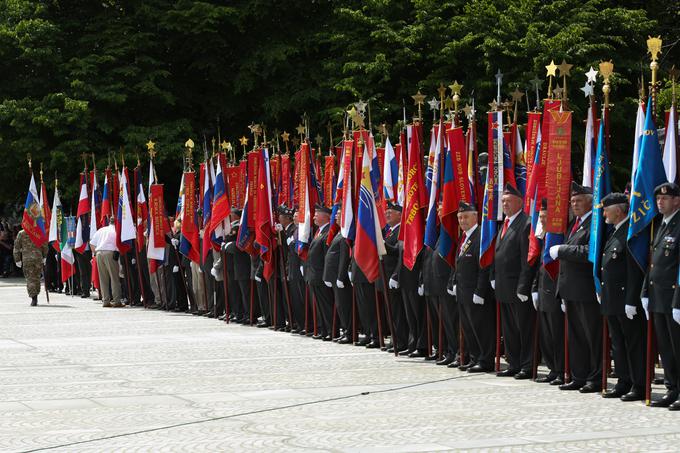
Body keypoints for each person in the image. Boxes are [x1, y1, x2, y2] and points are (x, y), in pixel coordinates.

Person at [551, 182, 602, 393]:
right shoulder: (575, 223)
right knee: (576, 336)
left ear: (590, 202)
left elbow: (588, 252)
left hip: (586, 290)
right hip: (570, 289)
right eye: (572, 201)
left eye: (579, 200)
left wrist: (563, 249)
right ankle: (579, 375)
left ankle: (595, 377)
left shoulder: (594, 224)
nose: (574, 204)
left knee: (592, 336)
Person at [599, 192, 646, 401]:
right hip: (612, 299)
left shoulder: (629, 233)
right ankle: (624, 381)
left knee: (633, 344)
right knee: (618, 343)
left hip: (626, 300)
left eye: (606, 211)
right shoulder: (615, 231)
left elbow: (634, 270)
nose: (604, 215)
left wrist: (631, 299)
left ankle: (639, 385)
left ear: (618, 210)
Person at [492, 184, 536, 379]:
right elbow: (499, 254)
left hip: (518, 287)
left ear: (519, 201)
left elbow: (527, 259)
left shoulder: (526, 223)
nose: (504, 204)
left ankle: (527, 365)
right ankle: (514, 362)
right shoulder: (505, 223)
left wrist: (523, 285)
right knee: (509, 329)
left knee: (524, 328)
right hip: (503, 286)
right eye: (503, 201)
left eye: (508, 201)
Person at [644, 182, 680, 409]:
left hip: (673, 299)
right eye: (658, 199)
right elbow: (654, 263)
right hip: (658, 297)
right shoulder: (661, 225)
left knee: (677, 346)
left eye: (665, 199)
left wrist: (678, 301)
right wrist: (644, 292)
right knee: (666, 348)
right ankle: (672, 388)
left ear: (677, 200)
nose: (660, 202)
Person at [452, 201, 495, 373]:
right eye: (460, 218)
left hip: (476, 293)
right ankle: (475, 357)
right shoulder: (464, 238)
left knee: (481, 328)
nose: (462, 220)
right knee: (468, 328)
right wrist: (454, 282)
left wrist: (480, 291)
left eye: (466, 217)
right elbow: (459, 264)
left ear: (476, 216)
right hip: (463, 292)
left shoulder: (480, 236)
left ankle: (486, 360)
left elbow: (484, 267)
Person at [531, 199, 564, 385]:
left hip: (554, 291)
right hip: (543, 292)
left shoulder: (558, 235)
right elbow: (540, 266)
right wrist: (535, 288)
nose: (542, 220)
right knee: (546, 335)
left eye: (545, 217)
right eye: (541, 217)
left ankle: (560, 369)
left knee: (557, 334)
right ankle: (553, 368)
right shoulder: (545, 237)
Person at [305, 204, 333, 340]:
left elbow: (326, 257)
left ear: (326, 217)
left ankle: (331, 330)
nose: (314, 216)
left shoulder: (328, 232)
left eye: (317, 214)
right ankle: (324, 330)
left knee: (326, 305)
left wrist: (326, 275)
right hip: (314, 275)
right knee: (319, 305)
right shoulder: (319, 231)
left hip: (321, 275)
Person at [89, 218, 123, 307]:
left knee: (103, 279)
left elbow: (92, 243)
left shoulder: (102, 230)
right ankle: (116, 300)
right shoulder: (116, 230)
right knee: (114, 277)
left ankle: (105, 300)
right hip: (110, 252)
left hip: (99, 253)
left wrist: (95, 254)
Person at [13, 228, 48, 306]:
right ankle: (35, 296)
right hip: (38, 258)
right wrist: (44, 256)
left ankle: (33, 297)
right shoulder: (39, 232)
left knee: (30, 279)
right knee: (36, 278)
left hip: (27, 259)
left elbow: (16, 247)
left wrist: (17, 259)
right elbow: (45, 245)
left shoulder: (21, 233)